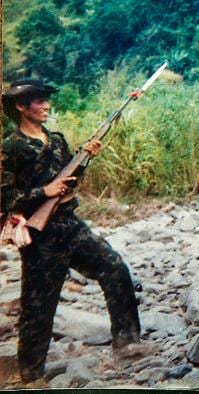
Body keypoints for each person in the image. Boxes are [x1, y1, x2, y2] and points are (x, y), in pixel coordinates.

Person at [1, 79, 150, 385]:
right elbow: (5, 198)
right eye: (38, 101)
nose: (46, 106)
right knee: (38, 306)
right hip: (40, 236)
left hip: (70, 225)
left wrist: (86, 158)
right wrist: (43, 192)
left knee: (115, 268)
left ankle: (127, 343)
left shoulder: (55, 140)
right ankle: (31, 375)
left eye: (45, 100)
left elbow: (68, 180)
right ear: (20, 107)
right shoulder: (10, 148)